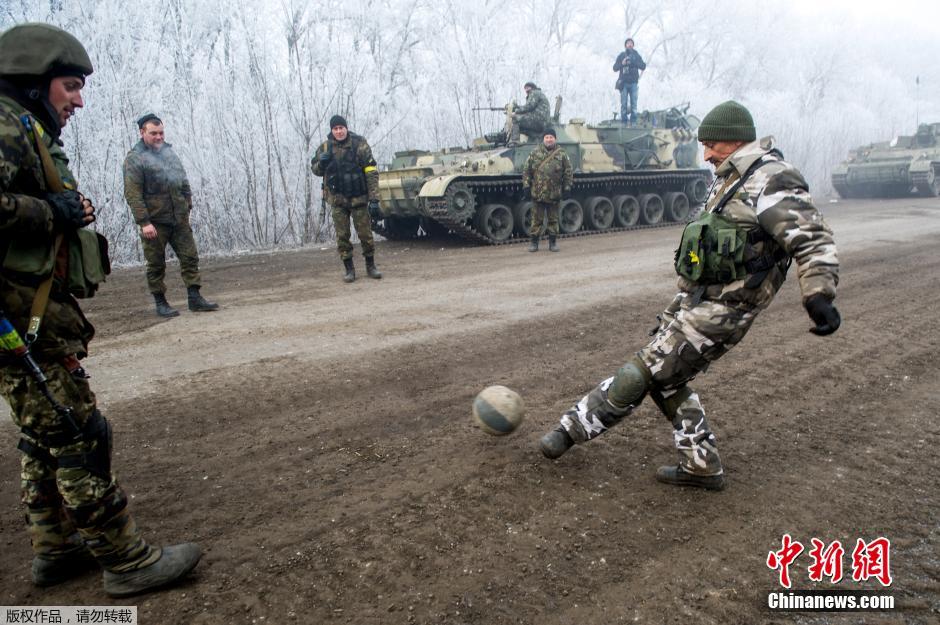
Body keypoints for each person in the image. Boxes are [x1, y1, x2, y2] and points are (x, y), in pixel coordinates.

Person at [539, 101, 841, 491]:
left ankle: (568, 431)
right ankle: (701, 464)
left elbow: (813, 238)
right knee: (666, 381)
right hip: (698, 299)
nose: (706, 154)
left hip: (729, 308)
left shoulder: (771, 178)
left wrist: (819, 294)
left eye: (712, 145)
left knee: (642, 372)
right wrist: (676, 307)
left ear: (735, 140)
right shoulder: (731, 177)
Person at [0, 22, 201, 596]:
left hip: (27, 312)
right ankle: (125, 559)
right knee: (79, 430)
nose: (79, 99)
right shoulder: (6, 124)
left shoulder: (23, 127)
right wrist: (52, 213)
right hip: (20, 316)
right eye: (69, 85)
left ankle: (55, 547)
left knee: (43, 432)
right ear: (34, 82)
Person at [123, 114, 218, 317]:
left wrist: (187, 206)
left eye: (161, 133)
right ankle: (160, 301)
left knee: (190, 257)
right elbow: (133, 193)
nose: (159, 137)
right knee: (156, 263)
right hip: (155, 222)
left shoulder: (169, 153)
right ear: (142, 133)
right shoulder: (135, 158)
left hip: (178, 218)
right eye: (154, 133)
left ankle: (195, 297)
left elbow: (182, 181)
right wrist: (144, 222)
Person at [312, 115, 383, 283]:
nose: (338, 131)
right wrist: (321, 164)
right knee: (342, 236)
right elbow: (315, 170)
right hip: (338, 200)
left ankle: (371, 266)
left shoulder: (359, 144)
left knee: (365, 235)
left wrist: (374, 199)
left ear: (346, 128)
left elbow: (371, 171)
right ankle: (349, 269)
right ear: (332, 131)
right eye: (335, 129)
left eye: (341, 128)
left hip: (359, 198)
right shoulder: (325, 147)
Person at [522, 128, 572, 252]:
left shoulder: (562, 154)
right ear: (543, 139)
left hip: (554, 194)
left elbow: (568, 172)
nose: (549, 139)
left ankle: (553, 243)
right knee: (536, 220)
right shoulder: (535, 153)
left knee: (553, 220)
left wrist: (567, 187)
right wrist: (526, 186)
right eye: (547, 137)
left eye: (551, 137)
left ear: (555, 139)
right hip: (538, 193)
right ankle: (534, 243)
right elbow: (526, 171)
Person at [613, 38, 646, 124]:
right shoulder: (621, 55)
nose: (630, 45)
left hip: (633, 83)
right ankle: (624, 121)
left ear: (633, 45)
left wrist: (634, 62)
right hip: (623, 83)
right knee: (623, 104)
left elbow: (643, 66)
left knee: (634, 104)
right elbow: (615, 68)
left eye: (631, 43)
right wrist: (622, 64)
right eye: (628, 43)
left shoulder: (636, 55)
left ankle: (633, 121)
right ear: (625, 45)